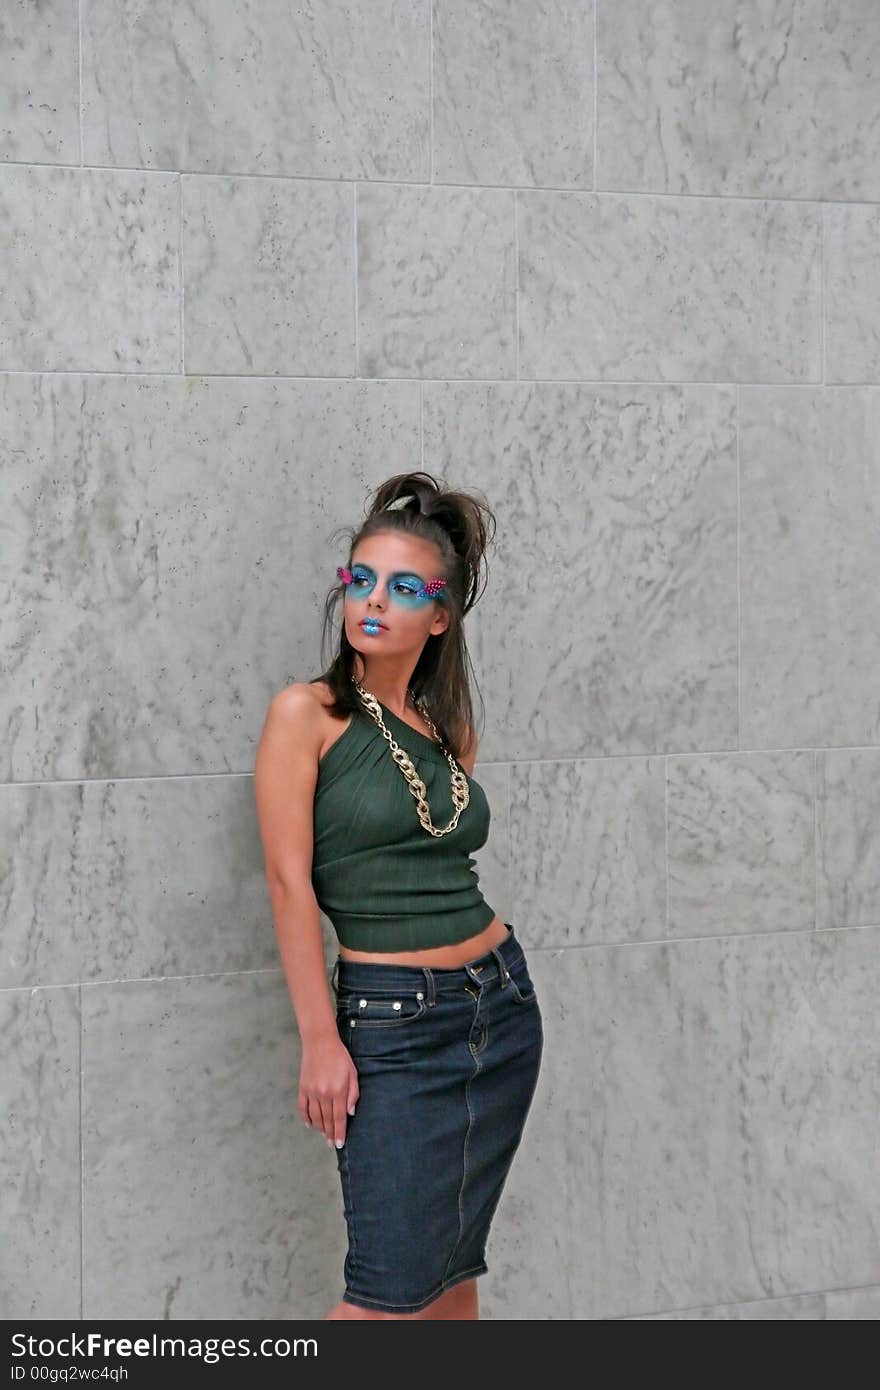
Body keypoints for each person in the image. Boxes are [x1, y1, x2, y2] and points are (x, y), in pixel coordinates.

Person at [253, 470, 544, 1320]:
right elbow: (287, 882)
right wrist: (320, 1038)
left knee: (451, 1280)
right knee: (385, 1299)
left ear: (441, 614)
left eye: (404, 587)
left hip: (500, 1008)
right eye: (361, 580)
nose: (374, 601)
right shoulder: (305, 715)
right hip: (393, 1024)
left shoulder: (448, 729)